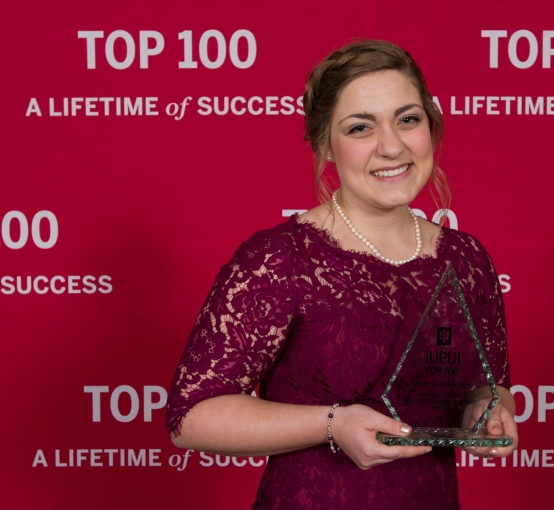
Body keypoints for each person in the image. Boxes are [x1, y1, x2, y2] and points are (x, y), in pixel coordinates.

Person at [166, 39, 518, 509]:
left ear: (431, 128)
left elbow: (488, 385)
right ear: (324, 145)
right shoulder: (283, 258)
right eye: (360, 128)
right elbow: (190, 417)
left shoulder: (466, 259)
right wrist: (333, 424)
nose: (391, 145)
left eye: (408, 119)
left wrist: (488, 411)